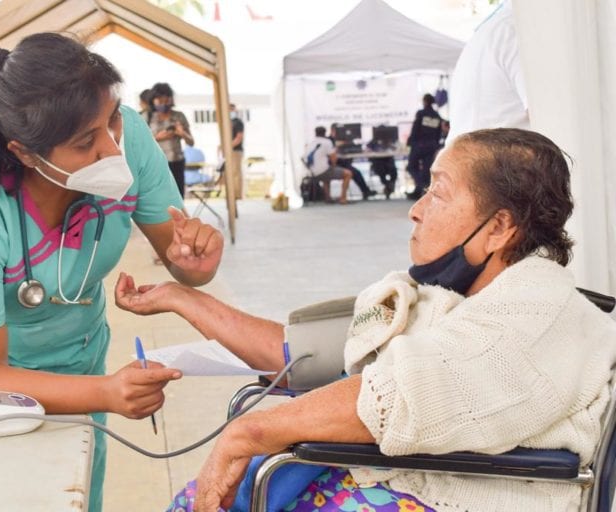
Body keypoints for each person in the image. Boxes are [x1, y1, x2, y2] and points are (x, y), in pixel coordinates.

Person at [115, 128, 616, 512]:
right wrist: (183, 298)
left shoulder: (536, 315)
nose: (415, 211)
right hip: (385, 478)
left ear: (500, 228)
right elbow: (307, 359)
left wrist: (250, 432)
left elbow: (403, 394)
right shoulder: (448, 298)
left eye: (437, 193)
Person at [0, 33, 224, 512]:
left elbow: (182, 261)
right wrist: (106, 392)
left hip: (75, 356)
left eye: (113, 120)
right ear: (25, 152)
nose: (113, 148)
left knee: (71, 496)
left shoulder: (129, 138)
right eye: (85, 143)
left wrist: (197, 261)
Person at [448, 0, 528, 141]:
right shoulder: (518, 30)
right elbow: (552, 119)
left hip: (480, 155)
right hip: (494, 159)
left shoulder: (500, 27)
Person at [149, 82, 194, 197]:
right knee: (161, 197)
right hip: (157, 164)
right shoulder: (148, 117)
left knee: (178, 196)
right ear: (153, 100)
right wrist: (158, 138)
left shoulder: (179, 116)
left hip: (177, 162)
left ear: (170, 99)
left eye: (166, 100)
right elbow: (141, 144)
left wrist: (182, 133)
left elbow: (191, 142)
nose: (163, 103)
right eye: (159, 100)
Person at [406, 93, 442, 201]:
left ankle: (422, 186)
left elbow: (415, 129)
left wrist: (410, 142)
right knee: (426, 170)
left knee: (411, 167)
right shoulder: (437, 116)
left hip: (419, 145)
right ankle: (419, 191)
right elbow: (438, 133)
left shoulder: (421, 113)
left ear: (425, 101)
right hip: (431, 146)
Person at [303, 126, 352, 204]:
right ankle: (343, 198)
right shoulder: (327, 142)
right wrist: (333, 166)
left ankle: (328, 198)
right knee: (348, 173)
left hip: (311, 172)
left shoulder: (311, 143)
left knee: (327, 171)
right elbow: (333, 157)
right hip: (322, 172)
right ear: (325, 133)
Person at [330, 123, 376, 201]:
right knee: (355, 172)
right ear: (332, 130)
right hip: (334, 164)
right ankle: (365, 191)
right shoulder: (330, 140)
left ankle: (365, 191)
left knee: (355, 172)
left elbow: (353, 148)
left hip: (343, 163)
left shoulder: (346, 139)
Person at [229, 103, 245, 200]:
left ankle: (237, 195)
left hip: (236, 151)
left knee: (236, 173)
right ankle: (232, 194)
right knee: (231, 173)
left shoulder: (238, 122)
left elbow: (239, 137)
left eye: (232, 109)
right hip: (229, 151)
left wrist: (228, 146)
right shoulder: (228, 122)